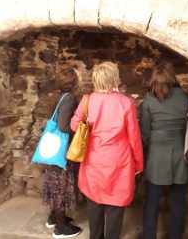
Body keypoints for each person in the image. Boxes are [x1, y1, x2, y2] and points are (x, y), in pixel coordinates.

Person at [70, 61, 144, 239]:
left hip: (93, 161)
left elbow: (74, 126)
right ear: (114, 79)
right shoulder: (126, 103)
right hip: (119, 162)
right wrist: (139, 164)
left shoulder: (87, 100)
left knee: (94, 204)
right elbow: (134, 136)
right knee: (115, 206)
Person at [140, 61, 188, 239]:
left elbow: (145, 133)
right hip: (180, 152)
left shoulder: (149, 99)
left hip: (157, 155)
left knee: (152, 200)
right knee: (178, 200)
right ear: (172, 76)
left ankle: (148, 236)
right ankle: (175, 236)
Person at [42, 68, 83, 239]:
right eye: (79, 75)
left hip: (53, 149)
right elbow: (63, 126)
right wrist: (80, 126)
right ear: (73, 82)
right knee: (60, 187)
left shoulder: (58, 96)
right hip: (62, 151)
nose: (81, 76)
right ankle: (60, 228)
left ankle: (53, 218)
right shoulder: (70, 98)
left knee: (55, 184)